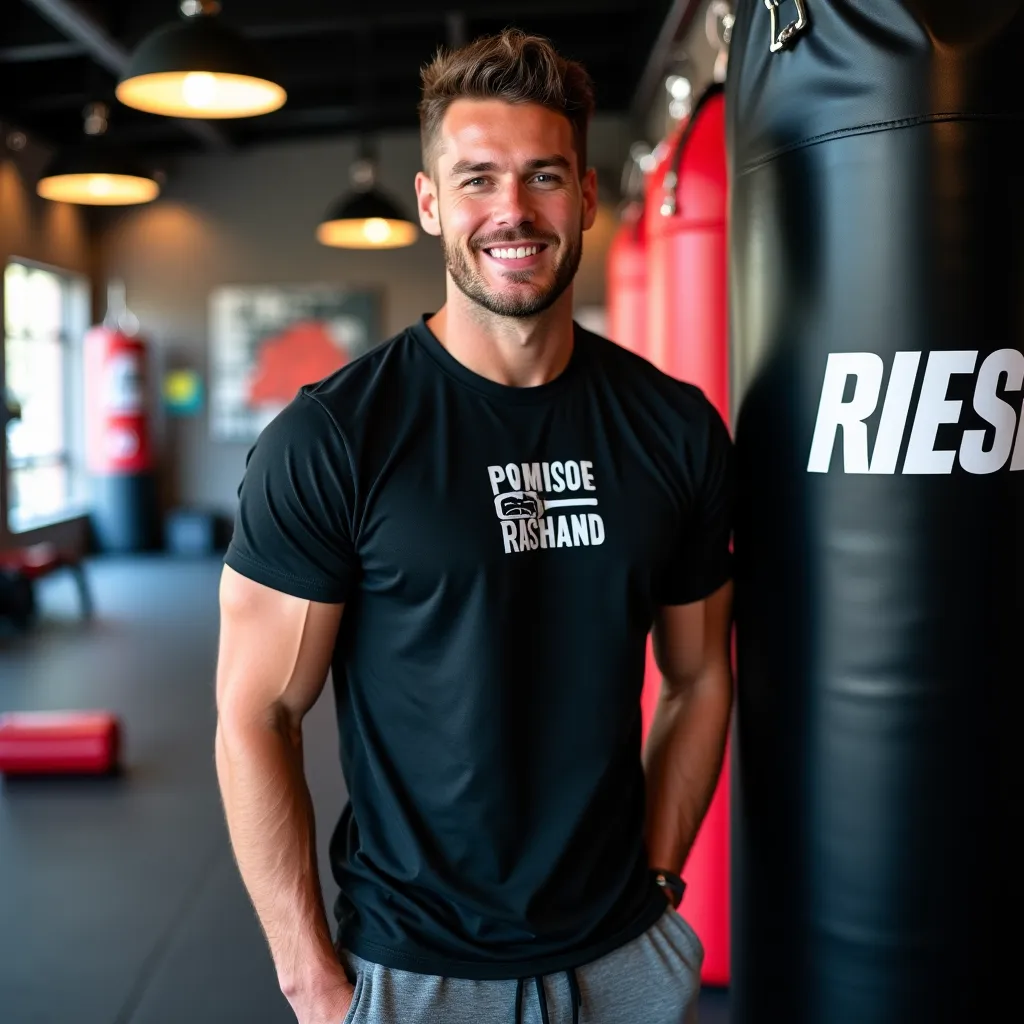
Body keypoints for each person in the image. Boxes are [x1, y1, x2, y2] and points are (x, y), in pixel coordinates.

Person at [215, 27, 734, 1024]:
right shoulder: (334, 439)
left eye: (543, 177)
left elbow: (700, 674)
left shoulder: (672, 428)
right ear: (429, 203)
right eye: (477, 179)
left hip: (623, 957)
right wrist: (312, 981)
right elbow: (257, 715)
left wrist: (660, 884)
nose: (512, 211)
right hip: (415, 970)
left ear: (585, 196)